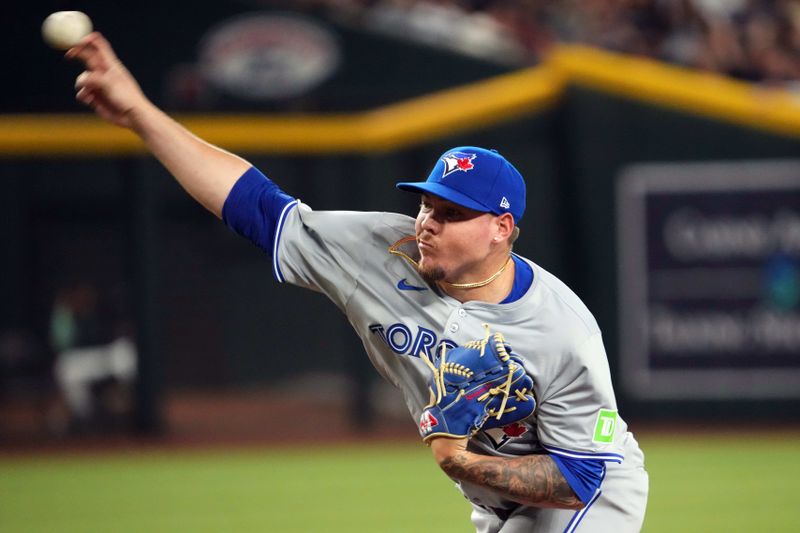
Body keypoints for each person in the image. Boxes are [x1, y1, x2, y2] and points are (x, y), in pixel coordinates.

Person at [67, 32, 648, 532]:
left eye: (450, 215)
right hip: (501, 504)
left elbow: (581, 477)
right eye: (425, 206)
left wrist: (460, 461)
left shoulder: (560, 330)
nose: (426, 224)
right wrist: (140, 113)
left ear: (501, 228)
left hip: (590, 492)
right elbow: (256, 207)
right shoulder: (382, 250)